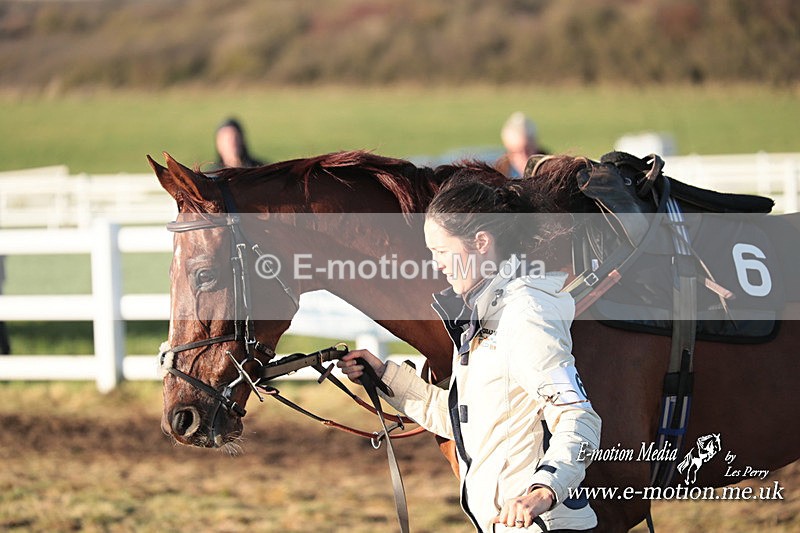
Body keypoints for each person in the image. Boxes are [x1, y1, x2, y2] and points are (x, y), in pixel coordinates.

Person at [338, 172, 601, 532]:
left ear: (480, 242)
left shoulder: (524, 313)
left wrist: (543, 490)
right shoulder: (483, 314)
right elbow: (471, 424)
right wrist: (387, 378)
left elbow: (578, 417)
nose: (438, 264)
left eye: (442, 252)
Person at [495, 112, 549, 179]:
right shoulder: (499, 174)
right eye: (516, 152)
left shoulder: (551, 171)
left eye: (528, 150)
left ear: (536, 146)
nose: (524, 157)